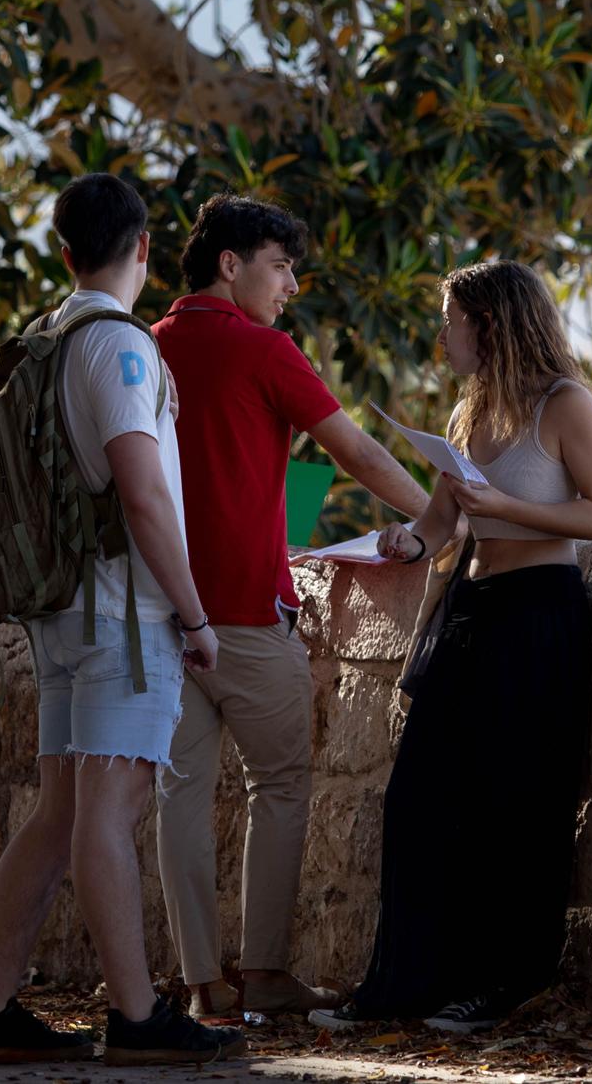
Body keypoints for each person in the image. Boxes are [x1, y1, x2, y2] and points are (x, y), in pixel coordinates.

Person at [0, 173, 243, 1066]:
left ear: (65, 252)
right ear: (143, 248)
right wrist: (193, 615)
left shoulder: (49, 334)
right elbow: (144, 496)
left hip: (61, 607)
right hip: (122, 616)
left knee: (62, 809)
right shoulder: (121, 347)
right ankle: (139, 1016)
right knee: (108, 813)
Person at [311, 260, 592, 1037]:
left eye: (450, 318)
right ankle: (402, 983)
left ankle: (499, 985)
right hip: (470, 610)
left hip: (539, 612)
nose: (441, 333)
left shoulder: (567, 405)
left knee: (517, 801)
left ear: (490, 321)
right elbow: (442, 523)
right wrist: (405, 539)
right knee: (420, 796)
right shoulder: (467, 412)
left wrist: (504, 502)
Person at [150, 195, 430, 1018]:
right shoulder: (263, 349)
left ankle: (204, 983)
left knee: (179, 797)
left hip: (161, 619)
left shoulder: (144, 347)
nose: (292, 285)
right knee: (280, 784)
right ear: (229, 264)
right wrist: (435, 521)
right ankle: (265, 972)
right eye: (279, 266)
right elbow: (358, 452)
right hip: (242, 617)